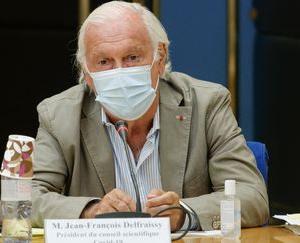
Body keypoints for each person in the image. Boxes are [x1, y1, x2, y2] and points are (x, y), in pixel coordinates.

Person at [30, 1, 269, 231]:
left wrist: (184, 214)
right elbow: (25, 200)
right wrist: (91, 211)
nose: (120, 73)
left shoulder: (207, 105)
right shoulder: (58, 115)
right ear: (86, 71)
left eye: (132, 57)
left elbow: (252, 197)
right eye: (104, 62)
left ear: (160, 56)